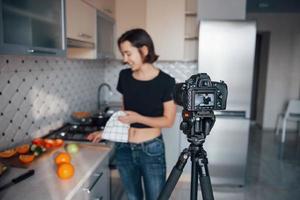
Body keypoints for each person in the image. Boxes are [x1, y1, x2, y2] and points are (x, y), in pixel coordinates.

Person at [87, 28, 176, 200]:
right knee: (133, 197)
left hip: (151, 149)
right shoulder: (125, 76)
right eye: (123, 54)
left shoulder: (166, 82)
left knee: (156, 197)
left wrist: (139, 118)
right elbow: (124, 115)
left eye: (128, 53)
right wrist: (106, 132)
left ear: (144, 50)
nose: (124, 59)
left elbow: (168, 121)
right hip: (124, 148)